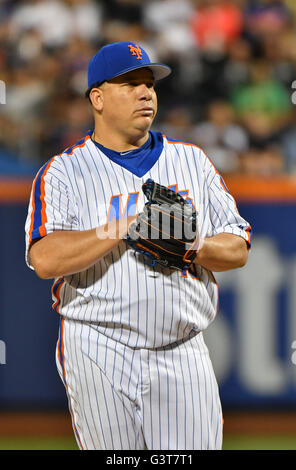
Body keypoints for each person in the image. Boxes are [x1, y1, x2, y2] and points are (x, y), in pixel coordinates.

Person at [25, 41, 251, 450]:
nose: (145, 93)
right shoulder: (63, 172)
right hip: (97, 346)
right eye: (130, 84)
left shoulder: (192, 160)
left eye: (149, 84)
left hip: (181, 348)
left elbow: (238, 247)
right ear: (97, 97)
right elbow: (44, 258)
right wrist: (123, 228)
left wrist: (191, 246)